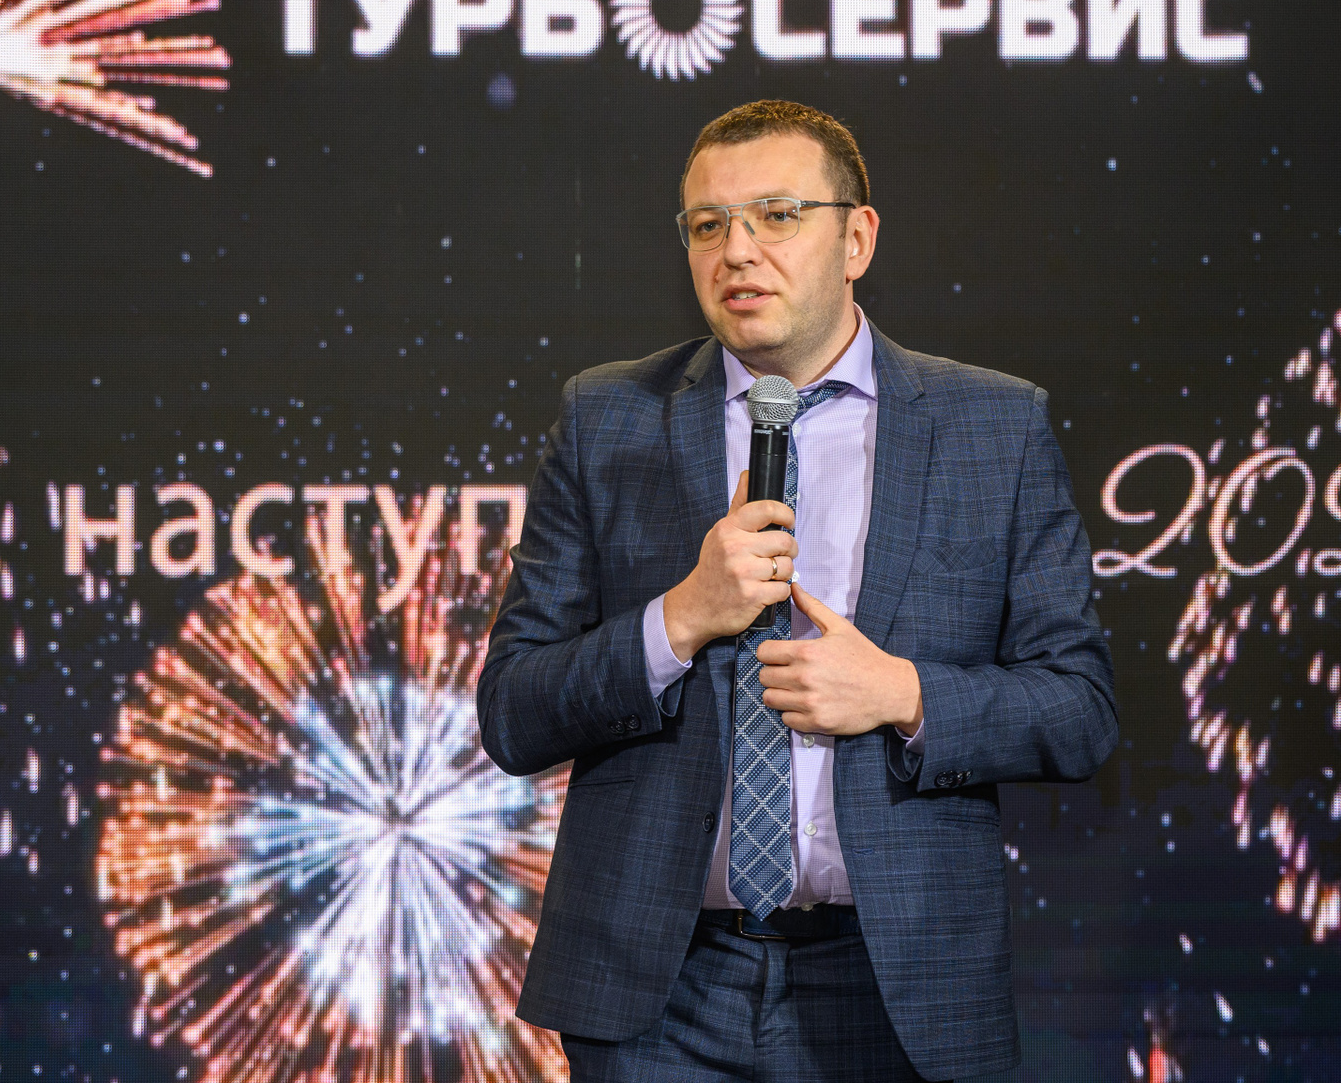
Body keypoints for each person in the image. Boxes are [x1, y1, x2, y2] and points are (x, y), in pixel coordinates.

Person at [478, 99, 1117, 1082]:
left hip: (894, 983)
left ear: (857, 238)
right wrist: (680, 619)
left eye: (777, 215)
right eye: (708, 225)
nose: (737, 250)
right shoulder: (608, 419)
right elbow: (513, 712)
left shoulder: (994, 427)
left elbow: (1079, 711)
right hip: (656, 993)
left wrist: (902, 693)